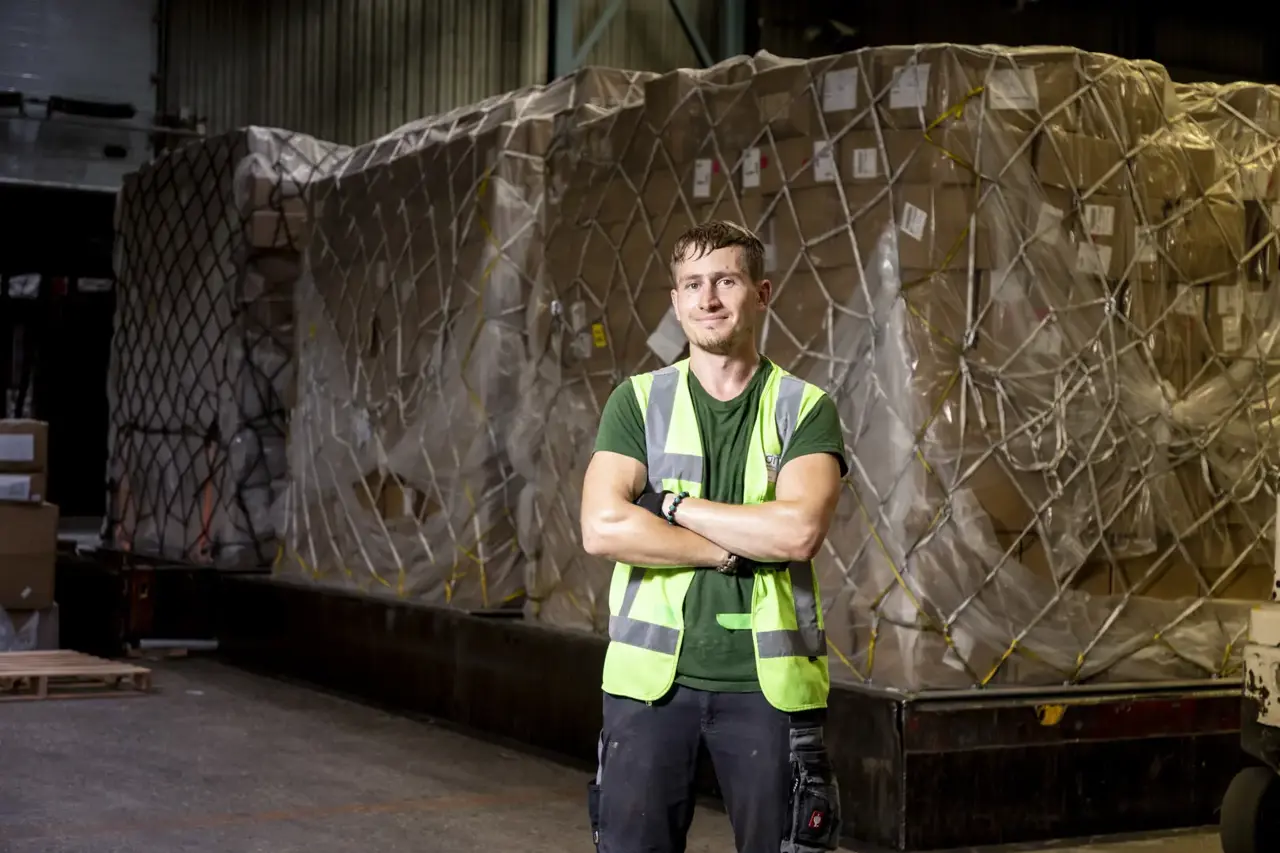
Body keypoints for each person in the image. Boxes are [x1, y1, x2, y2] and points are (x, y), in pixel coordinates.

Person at [579, 220, 848, 853]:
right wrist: (726, 549)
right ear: (675, 302)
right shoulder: (637, 402)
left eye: (725, 281)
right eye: (692, 285)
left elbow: (797, 531)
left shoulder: (803, 407)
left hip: (769, 690)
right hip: (649, 687)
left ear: (761, 293)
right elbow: (602, 525)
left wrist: (673, 505)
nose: (708, 299)